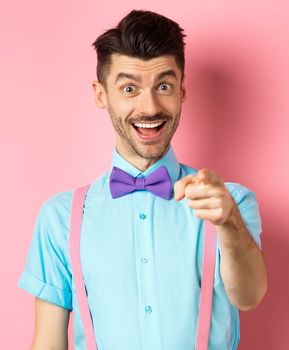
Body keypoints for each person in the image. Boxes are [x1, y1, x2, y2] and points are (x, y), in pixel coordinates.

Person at [17, 9, 267, 349]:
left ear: (182, 91)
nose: (149, 107)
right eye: (129, 88)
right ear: (101, 94)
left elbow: (249, 296)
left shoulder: (232, 202)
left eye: (163, 86)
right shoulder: (60, 217)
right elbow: (47, 343)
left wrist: (229, 223)